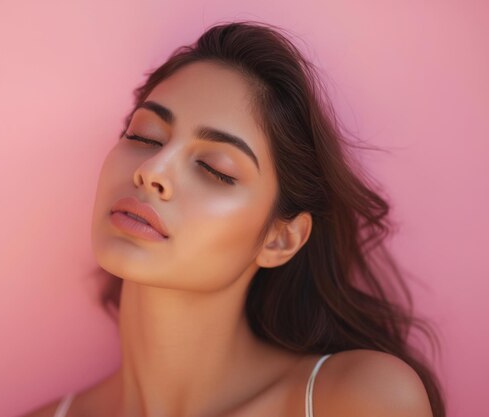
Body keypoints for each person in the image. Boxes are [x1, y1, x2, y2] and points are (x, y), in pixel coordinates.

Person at [23, 20, 445, 417]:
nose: (152, 171)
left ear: (280, 240)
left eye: (214, 168)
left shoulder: (358, 401)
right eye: (143, 135)